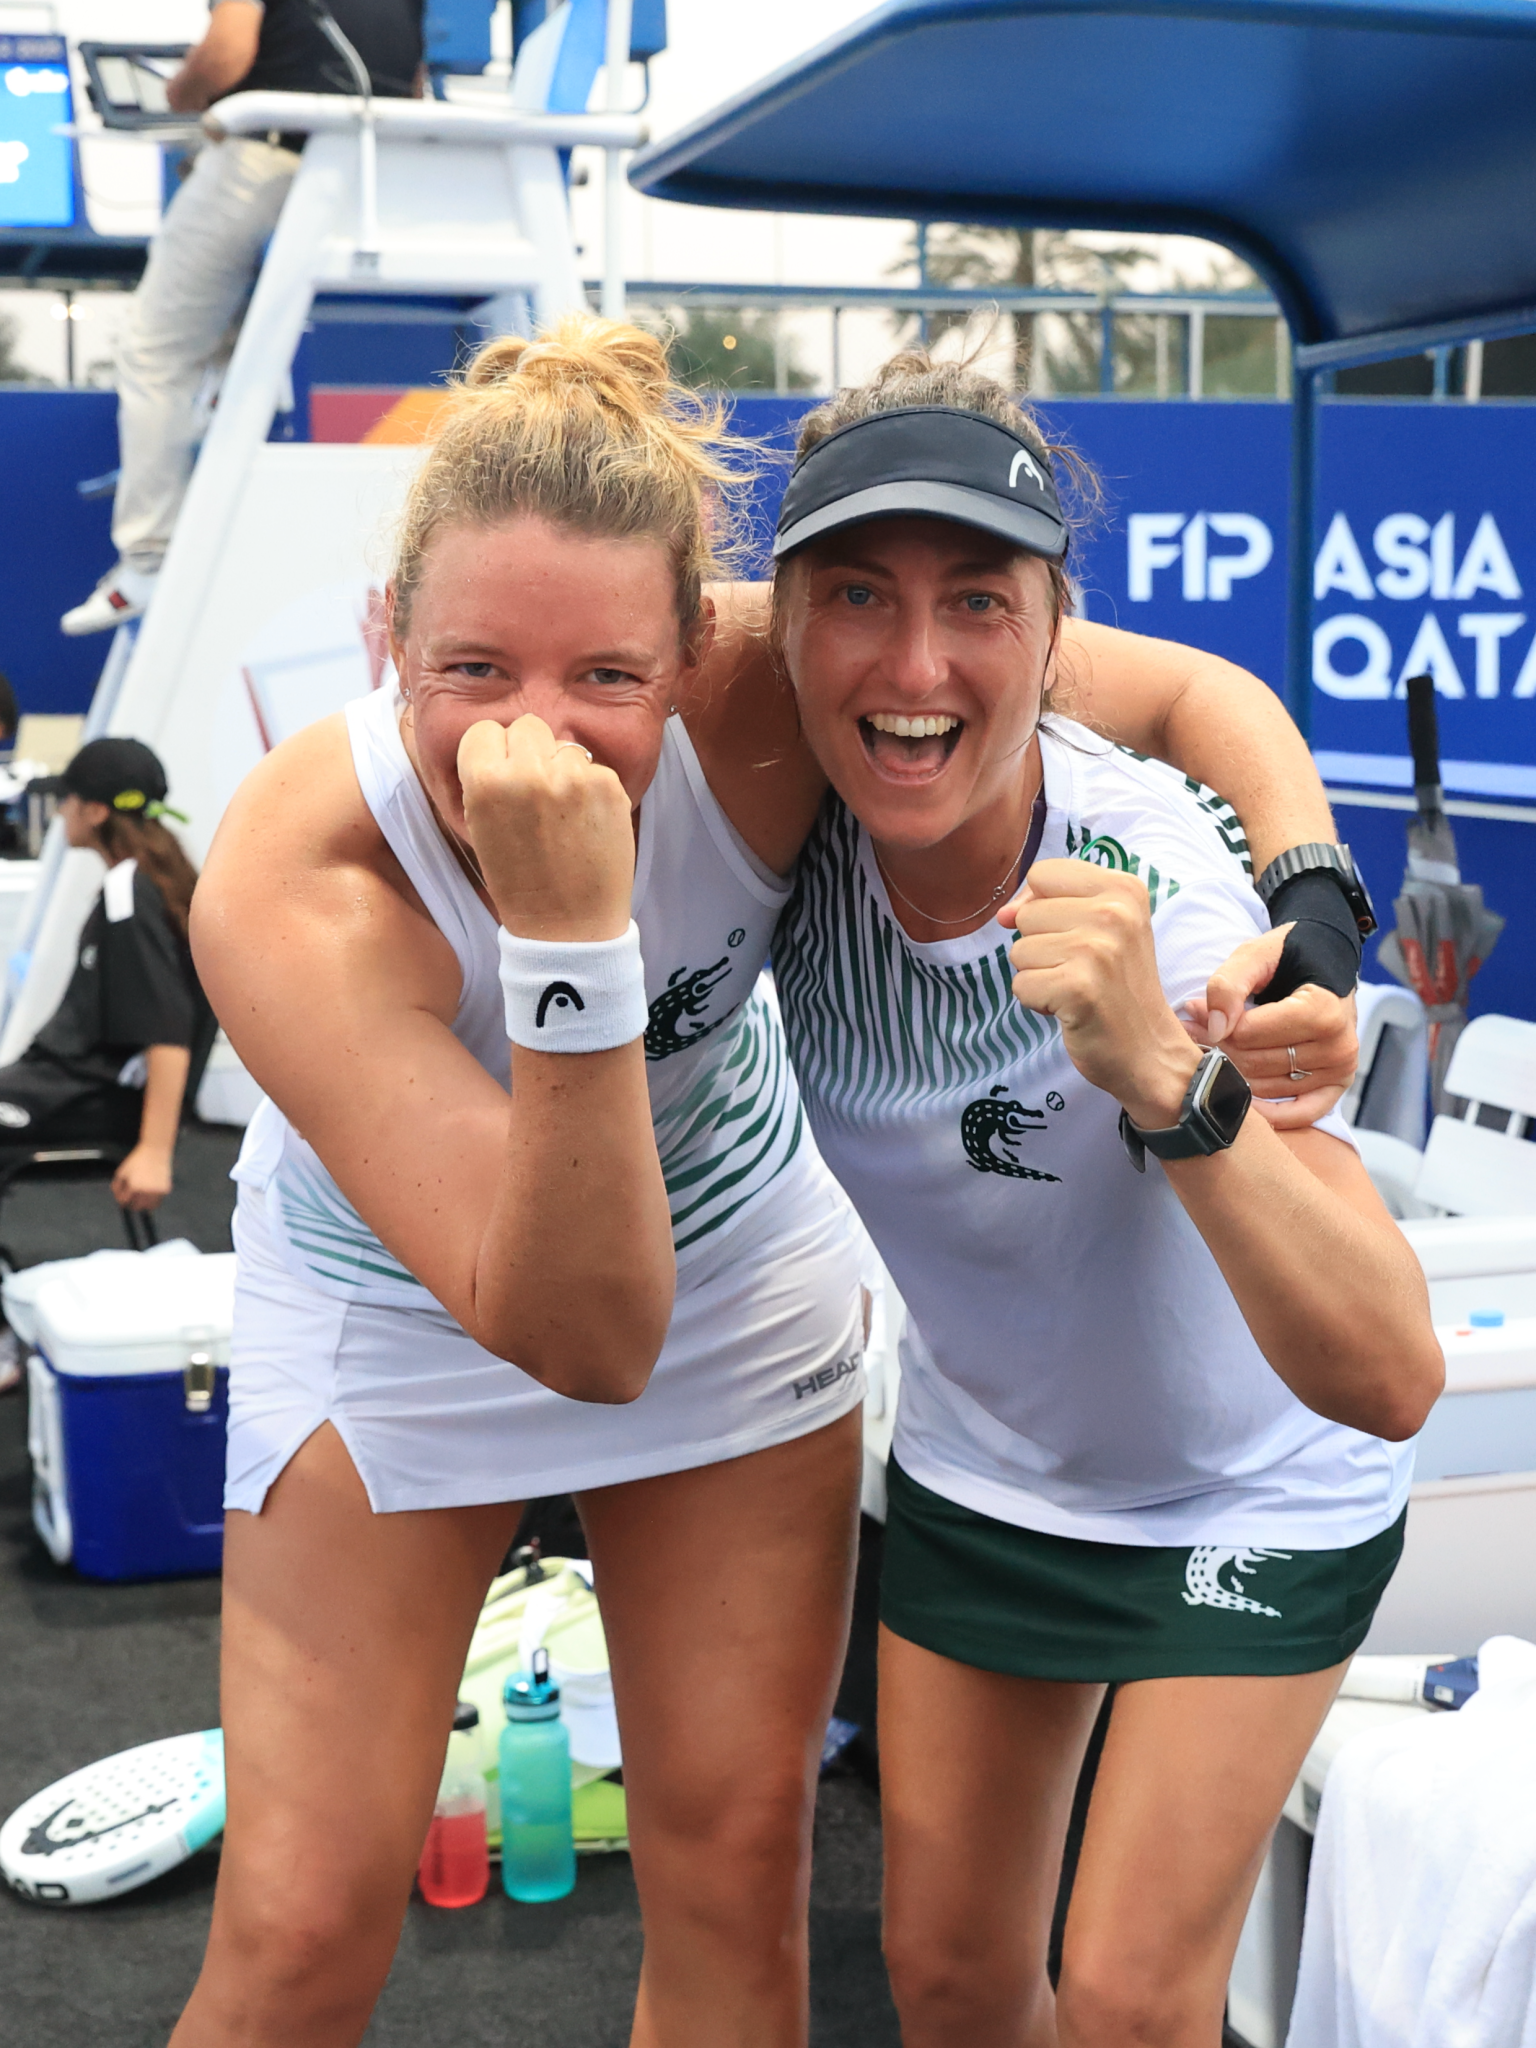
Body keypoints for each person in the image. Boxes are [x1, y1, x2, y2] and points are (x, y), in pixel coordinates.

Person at [187, 315, 1362, 2048]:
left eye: (607, 678)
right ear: (386, 643)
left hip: (727, 1271)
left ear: (697, 653)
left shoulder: (783, 680)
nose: (538, 741)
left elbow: (1190, 696)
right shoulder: (295, 873)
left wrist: (1315, 902)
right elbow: (576, 1329)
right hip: (398, 1303)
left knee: (738, 1867)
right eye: (473, 670)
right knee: (298, 1930)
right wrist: (572, 936)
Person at [766, 354, 1444, 2048]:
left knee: (1134, 2003)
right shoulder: (772, 816)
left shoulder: (1152, 879)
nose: (915, 667)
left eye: (975, 602)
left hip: (1251, 1488)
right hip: (996, 1459)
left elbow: (1388, 1370)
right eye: (858, 593)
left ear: (1054, 632)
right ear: (779, 624)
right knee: (947, 1977)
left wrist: (1166, 1070)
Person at [61, 0, 425, 637]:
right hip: (370, 178)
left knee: (153, 351)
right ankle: (217, 528)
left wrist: (183, 91)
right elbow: (413, 83)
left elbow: (226, 55)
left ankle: (149, 558)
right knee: (224, 351)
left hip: (269, 159)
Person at [0, 738, 206, 1392]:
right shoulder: (147, 883)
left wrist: (154, 1150)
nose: (60, 811)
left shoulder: (128, 894)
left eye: (67, 800)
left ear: (92, 811)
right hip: (66, 1083)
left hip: (86, 1098)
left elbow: (167, 1033)